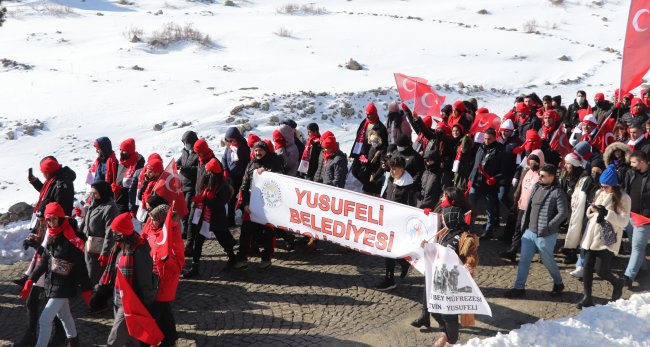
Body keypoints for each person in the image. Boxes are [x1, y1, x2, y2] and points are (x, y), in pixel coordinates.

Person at [23, 202, 91, 347]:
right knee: (64, 315)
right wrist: (31, 279)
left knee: (45, 319)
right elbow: (44, 261)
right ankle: (74, 341)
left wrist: (86, 289)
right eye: (48, 219)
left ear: (60, 218)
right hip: (52, 284)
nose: (50, 223)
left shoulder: (70, 239)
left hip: (64, 286)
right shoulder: (53, 236)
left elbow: (81, 266)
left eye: (53, 219)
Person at [505, 164, 567, 298]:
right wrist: (524, 226)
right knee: (524, 260)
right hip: (530, 231)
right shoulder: (536, 187)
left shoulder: (557, 192)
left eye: (543, 176)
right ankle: (519, 288)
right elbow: (529, 208)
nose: (540, 177)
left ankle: (558, 282)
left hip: (546, 234)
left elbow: (563, 213)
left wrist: (549, 226)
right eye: (539, 175)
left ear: (552, 177)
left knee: (547, 260)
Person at [421, 206, 479, 347]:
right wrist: (427, 246)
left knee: (448, 315)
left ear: (451, 219)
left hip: (453, 281)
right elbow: (437, 251)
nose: (442, 221)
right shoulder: (445, 233)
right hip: (439, 277)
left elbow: (472, 257)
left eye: (444, 218)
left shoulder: (466, 237)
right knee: (433, 309)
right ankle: (445, 332)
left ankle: (451, 342)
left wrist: (469, 264)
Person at [101, 213, 158, 347]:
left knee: (114, 340)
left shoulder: (139, 251)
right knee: (131, 339)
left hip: (131, 302)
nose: (114, 234)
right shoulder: (119, 247)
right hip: (118, 298)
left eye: (116, 231)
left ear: (124, 232)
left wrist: (147, 302)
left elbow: (145, 279)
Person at [577, 164, 629, 309]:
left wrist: (607, 214)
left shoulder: (624, 198)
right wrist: (592, 210)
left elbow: (624, 221)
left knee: (601, 270)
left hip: (607, 238)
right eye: (602, 185)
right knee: (586, 266)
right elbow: (591, 210)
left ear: (614, 185)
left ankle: (617, 283)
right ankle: (587, 297)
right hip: (592, 234)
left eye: (606, 186)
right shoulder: (600, 192)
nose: (603, 188)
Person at [234, 141, 285, 270]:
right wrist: (245, 204)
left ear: (266, 151)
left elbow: (279, 178)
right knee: (245, 233)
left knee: (267, 233)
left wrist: (266, 172)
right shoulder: (250, 164)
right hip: (251, 204)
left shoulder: (274, 162)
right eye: (255, 150)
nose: (258, 153)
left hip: (267, 205)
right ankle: (242, 259)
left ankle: (266, 259)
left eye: (260, 150)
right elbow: (244, 186)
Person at [140, 202, 185, 346]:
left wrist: (165, 259)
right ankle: (170, 338)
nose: (151, 222)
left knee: (153, 315)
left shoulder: (172, 237)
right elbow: (144, 239)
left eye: (154, 219)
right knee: (164, 311)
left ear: (162, 221)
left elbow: (178, 264)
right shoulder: (152, 228)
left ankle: (146, 343)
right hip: (153, 278)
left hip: (164, 282)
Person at [184, 158, 236, 277]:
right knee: (198, 242)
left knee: (223, 241)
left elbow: (218, 204)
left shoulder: (224, 187)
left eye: (209, 172)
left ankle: (232, 258)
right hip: (204, 217)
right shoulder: (207, 181)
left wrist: (204, 201)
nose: (206, 174)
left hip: (217, 219)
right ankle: (195, 266)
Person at [375, 156, 416, 290]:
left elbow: (411, 206)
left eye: (394, 169)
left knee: (389, 250)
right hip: (389, 219)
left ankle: (389, 278)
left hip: (399, 223)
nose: (391, 171)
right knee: (388, 249)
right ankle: (403, 264)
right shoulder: (392, 178)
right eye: (391, 168)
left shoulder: (408, 185)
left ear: (402, 169)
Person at [499, 150, 545, 262]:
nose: (533, 164)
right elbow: (521, 187)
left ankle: (542, 254)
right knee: (518, 229)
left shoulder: (543, 174)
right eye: (531, 162)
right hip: (522, 206)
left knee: (532, 232)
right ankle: (513, 251)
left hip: (534, 208)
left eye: (535, 162)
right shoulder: (527, 171)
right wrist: (517, 200)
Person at [564, 159, 605, 276]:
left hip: (596, 217)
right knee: (584, 241)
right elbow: (578, 196)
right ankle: (581, 265)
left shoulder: (603, 185)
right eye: (593, 171)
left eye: (598, 171)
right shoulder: (586, 181)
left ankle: (586, 266)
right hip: (584, 215)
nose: (594, 174)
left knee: (591, 243)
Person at [80, 181, 118, 289]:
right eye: (92, 193)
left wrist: (105, 253)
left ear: (103, 192)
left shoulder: (110, 208)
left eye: (95, 193)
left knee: (96, 278)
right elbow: (86, 224)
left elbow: (110, 233)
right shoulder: (95, 204)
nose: (92, 196)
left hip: (98, 250)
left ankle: (97, 301)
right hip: (89, 247)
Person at [468, 128, 505, 239]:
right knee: (469, 205)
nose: (486, 141)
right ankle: (467, 226)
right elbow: (475, 164)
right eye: (485, 138)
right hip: (476, 182)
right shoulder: (480, 147)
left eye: (489, 139)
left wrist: (495, 178)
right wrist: (471, 178)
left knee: (490, 209)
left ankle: (489, 230)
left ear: (495, 138)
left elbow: (504, 170)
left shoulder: (501, 150)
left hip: (490, 185)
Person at [622, 151, 650, 289]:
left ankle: (628, 276)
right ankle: (643, 267)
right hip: (630, 215)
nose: (631, 165)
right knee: (635, 245)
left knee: (637, 247)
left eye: (634, 162)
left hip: (645, 218)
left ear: (642, 162)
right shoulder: (630, 173)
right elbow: (626, 191)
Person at [350, 103, 388, 182]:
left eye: (370, 114)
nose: (368, 116)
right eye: (367, 114)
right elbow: (358, 134)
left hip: (370, 155)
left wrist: (372, 156)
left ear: (374, 114)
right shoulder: (364, 122)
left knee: (365, 174)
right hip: (359, 151)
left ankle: (365, 186)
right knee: (354, 171)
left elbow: (383, 145)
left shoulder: (380, 128)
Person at [222, 126, 251, 227]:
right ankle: (230, 220)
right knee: (231, 199)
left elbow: (248, 163)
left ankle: (246, 219)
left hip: (242, 178)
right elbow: (224, 159)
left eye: (231, 140)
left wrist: (246, 175)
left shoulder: (244, 149)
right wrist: (225, 170)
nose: (229, 142)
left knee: (242, 198)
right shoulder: (228, 148)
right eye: (228, 140)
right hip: (231, 178)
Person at [177, 130, 199, 238]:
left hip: (191, 185)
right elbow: (180, 160)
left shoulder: (198, 152)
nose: (186, 144)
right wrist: (176, 164)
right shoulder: (185, 151)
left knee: (187, 208)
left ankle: (190, 231)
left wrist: (185, 168)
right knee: (181, 208)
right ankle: (185, 230)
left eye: (187, 142)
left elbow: (199, 169)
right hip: (181, 184)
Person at [113, 138, 145, 214]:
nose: (121, 153)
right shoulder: (122, 162)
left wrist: (121, 189)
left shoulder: (138, 165)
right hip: (118, 199)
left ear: (130, 151)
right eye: (121, 150)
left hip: (128, 202)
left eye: (124, 151)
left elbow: (136, 185)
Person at [359, 129, 387, 196]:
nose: (373, 143)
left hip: (376, 178)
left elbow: (382, 166)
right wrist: (364, 161)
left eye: (375, 141)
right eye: (371, 141)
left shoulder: (383, 150)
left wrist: (375, 177)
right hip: (368, 177)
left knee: (375, 198)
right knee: (366, 195)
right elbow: (370, 161)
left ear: (379, 139)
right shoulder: (371, 147)